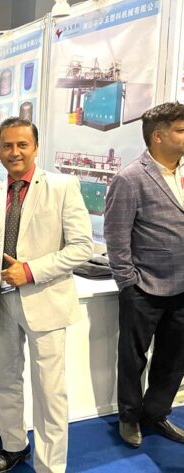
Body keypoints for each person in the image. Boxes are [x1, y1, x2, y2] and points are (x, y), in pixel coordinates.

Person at [0, 118, 92, 473]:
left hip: (45, 299)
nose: (14, 152)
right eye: (7, 145)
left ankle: (50, 466)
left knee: (50, 391)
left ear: (36, 147)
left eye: (22, 144)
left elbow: (82, 247)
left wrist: (31, 270)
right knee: (6, 381)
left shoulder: (62, 186)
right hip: (0, 303)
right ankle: (13, 446)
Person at [104, 102, 184, 448]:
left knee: (174, 358)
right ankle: (129, 417)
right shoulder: (130, 178)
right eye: (181, 130)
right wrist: (128, 282)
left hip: (182, 287)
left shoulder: (182, 173)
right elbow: (116, 236)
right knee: (133, 359)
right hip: (144, 288)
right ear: (158, 136)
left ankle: (156, 413)